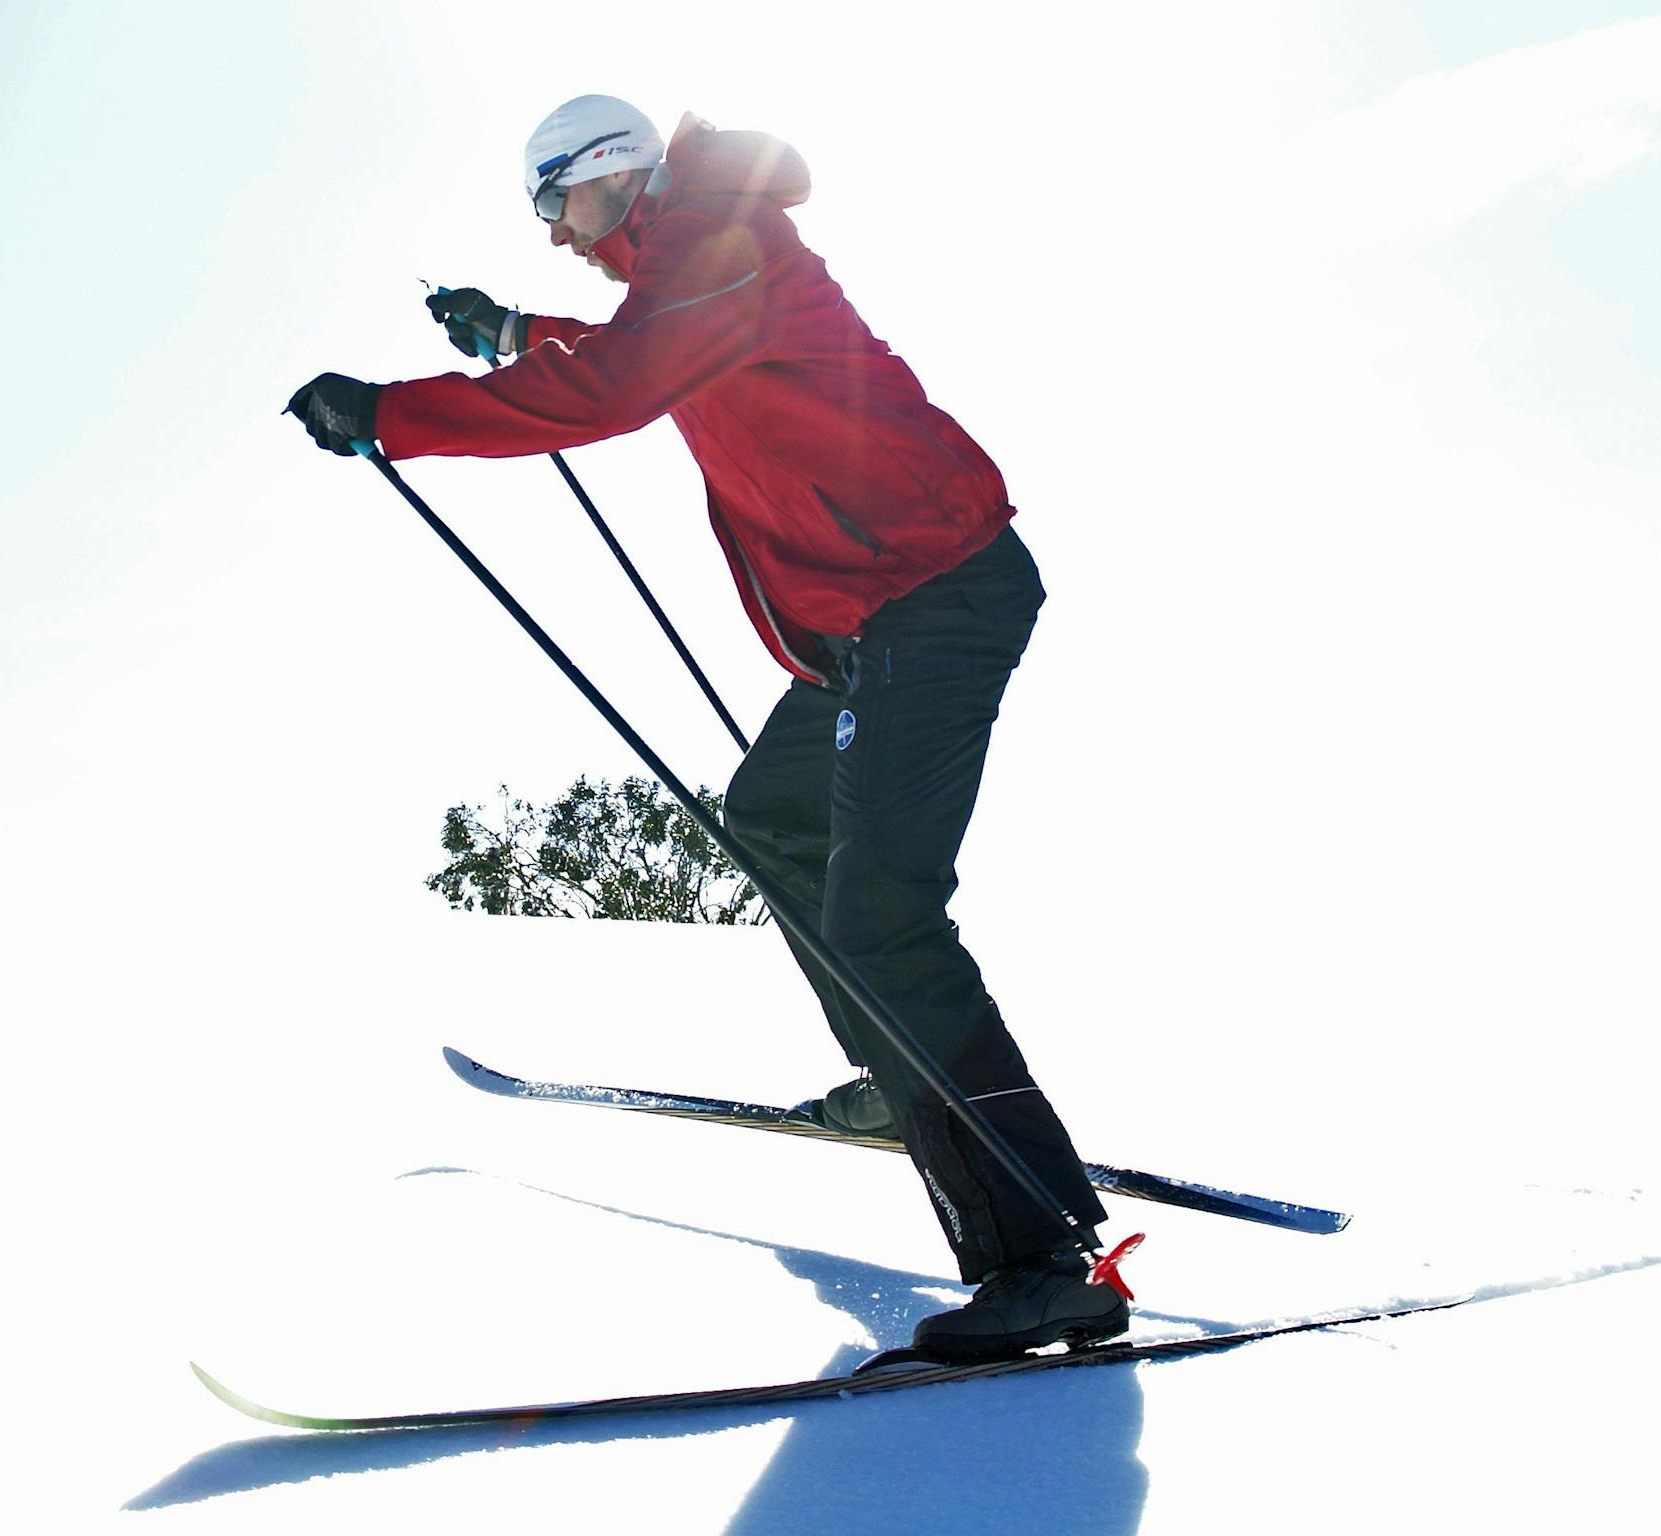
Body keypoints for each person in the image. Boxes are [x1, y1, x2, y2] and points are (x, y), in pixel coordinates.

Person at [286, 95, 1131, 1359]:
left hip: (929, 595)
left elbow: (625, 381)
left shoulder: (717, 239)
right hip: (868, 620)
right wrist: (515, 332)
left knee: (883, 917)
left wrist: (396, 412)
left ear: (608, 174)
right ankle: (904, 1083)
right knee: (773, 819)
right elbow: (644, 353)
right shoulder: (690, 262)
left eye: (551, 202)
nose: (553, 232)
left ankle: (1046, 1257)